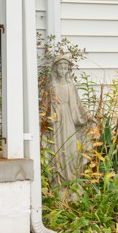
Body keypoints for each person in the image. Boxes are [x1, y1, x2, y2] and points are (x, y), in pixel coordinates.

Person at [47, 53, 93, 187]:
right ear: (55, 68)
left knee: (72, 148)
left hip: (70, 119)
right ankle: (59, 182)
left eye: (65, 67)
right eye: (60, 67)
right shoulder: (51, 85)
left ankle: (73, 179)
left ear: (68, 69)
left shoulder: (71, 85)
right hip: (56, 121)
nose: (62, 69)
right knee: (57, 149)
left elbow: (78, 104)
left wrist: (88, 116)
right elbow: (45, 104)